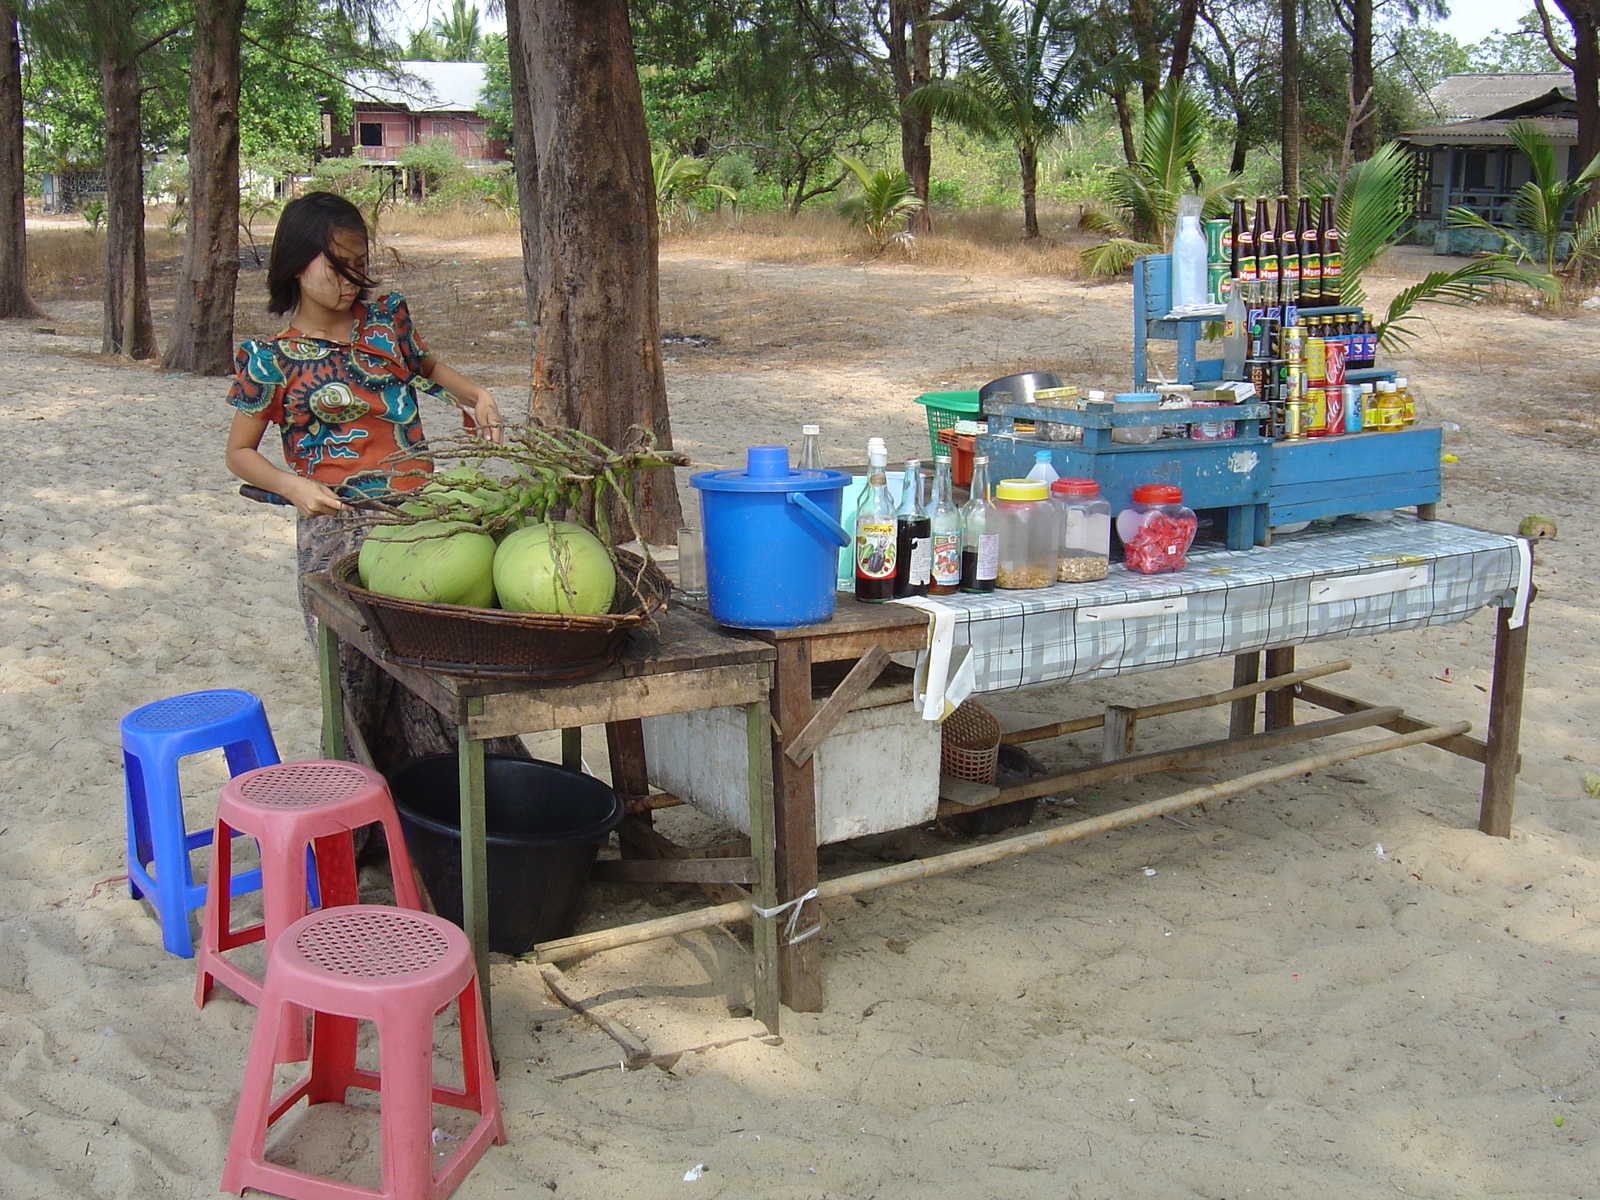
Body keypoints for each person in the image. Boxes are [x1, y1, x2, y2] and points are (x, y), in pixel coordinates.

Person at [224, 190, 524, 770]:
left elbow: (426, 369)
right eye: (336, 267)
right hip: (337, 524)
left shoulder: (386, 320)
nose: (350, 281)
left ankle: (467, 810)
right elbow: (240, 452)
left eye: (359, 265)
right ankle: (359, 834)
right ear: (296, 263)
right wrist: (292, 486)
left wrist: (475, 394)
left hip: (421, 517)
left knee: (445, 669)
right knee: (354, 681)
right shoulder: (271, 359)